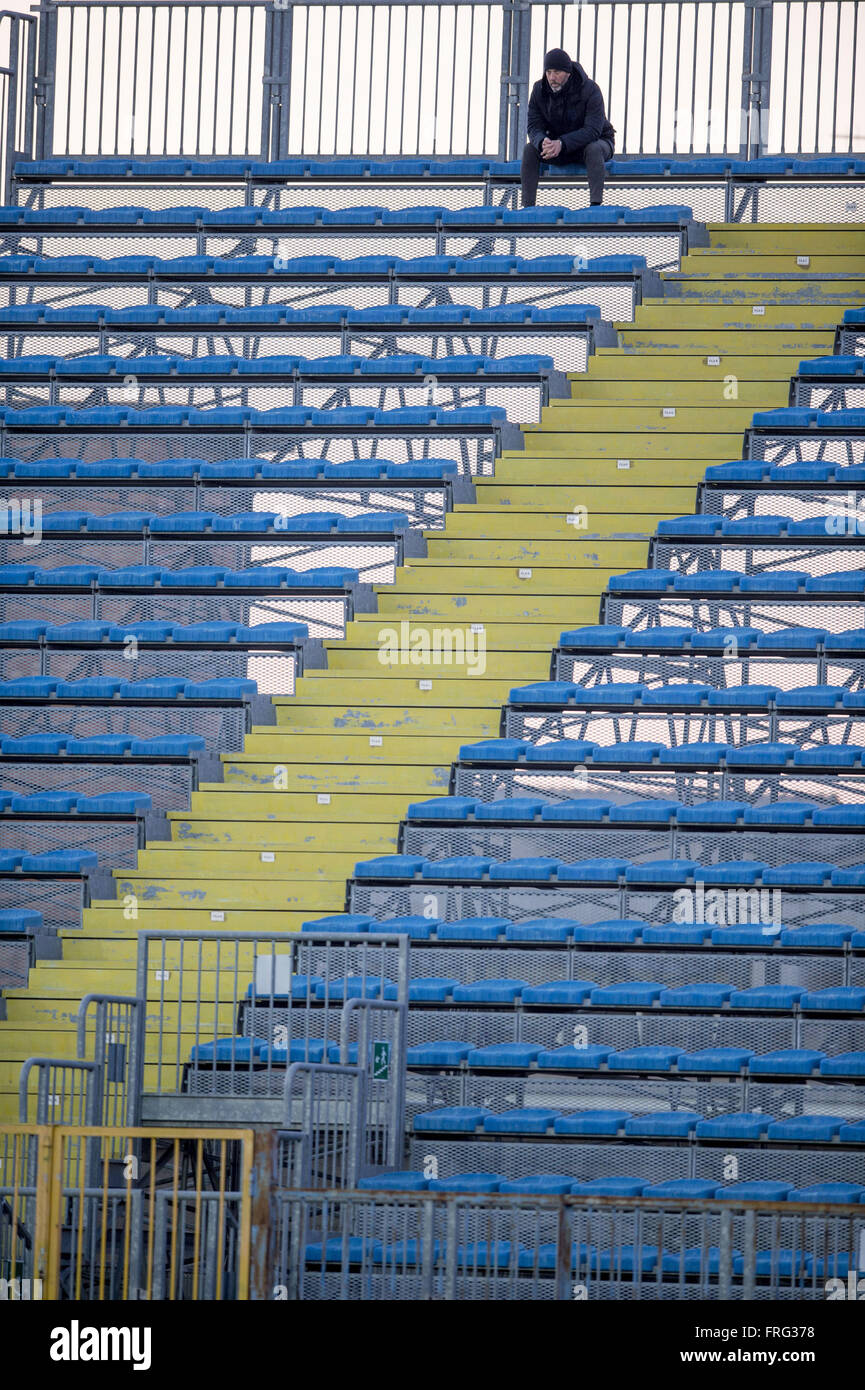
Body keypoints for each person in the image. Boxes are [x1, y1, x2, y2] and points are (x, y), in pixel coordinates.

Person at [521, 47, 616, 207]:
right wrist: (542, 141)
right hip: (557, 147)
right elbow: (533, 125)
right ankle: (527, 208)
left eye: (557, 72)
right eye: (549, 72)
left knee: (593, 149)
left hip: (594, 143)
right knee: (530, 149)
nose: (552, 77)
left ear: (568, 72)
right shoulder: (539, 90)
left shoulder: (591, 89)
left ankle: (595, 207)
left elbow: (593, 130)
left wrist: (562, 143)